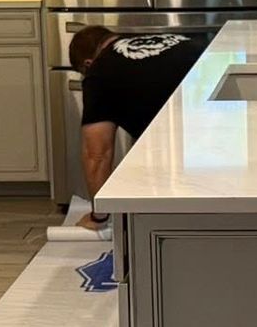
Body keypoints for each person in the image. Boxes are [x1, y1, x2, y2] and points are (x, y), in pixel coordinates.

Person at [69, 24, 210, 229]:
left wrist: (99, 216)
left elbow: (97, 154)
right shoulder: (164, 42)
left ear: (88, 64)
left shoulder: (99, 72)